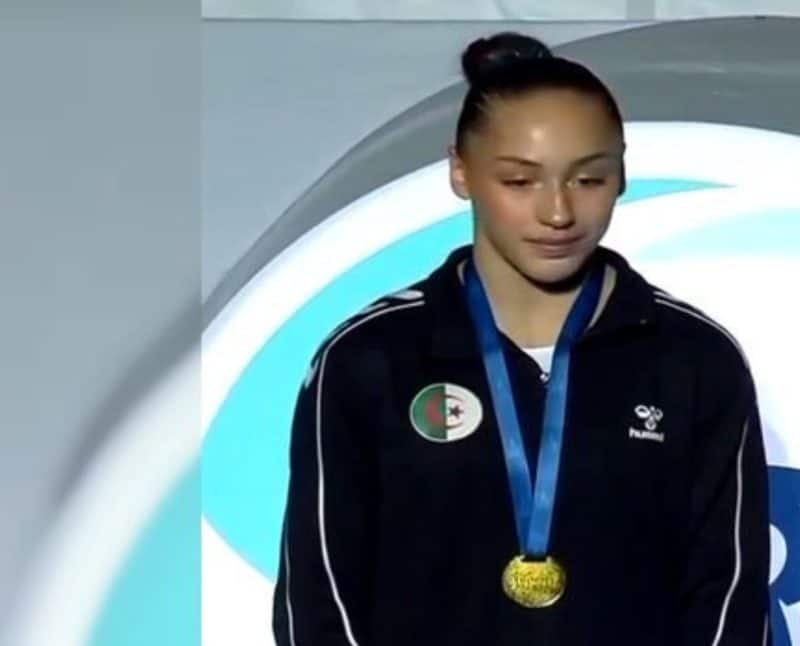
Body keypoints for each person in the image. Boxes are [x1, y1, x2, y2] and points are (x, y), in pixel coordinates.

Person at [273, 31, 770, 646]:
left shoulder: (694, 358)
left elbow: (729, 597)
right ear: (461, 171)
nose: (558, 213)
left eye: (588, 180)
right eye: (519, 182)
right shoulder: (367, 358)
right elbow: (318, 603)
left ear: (621, 176)